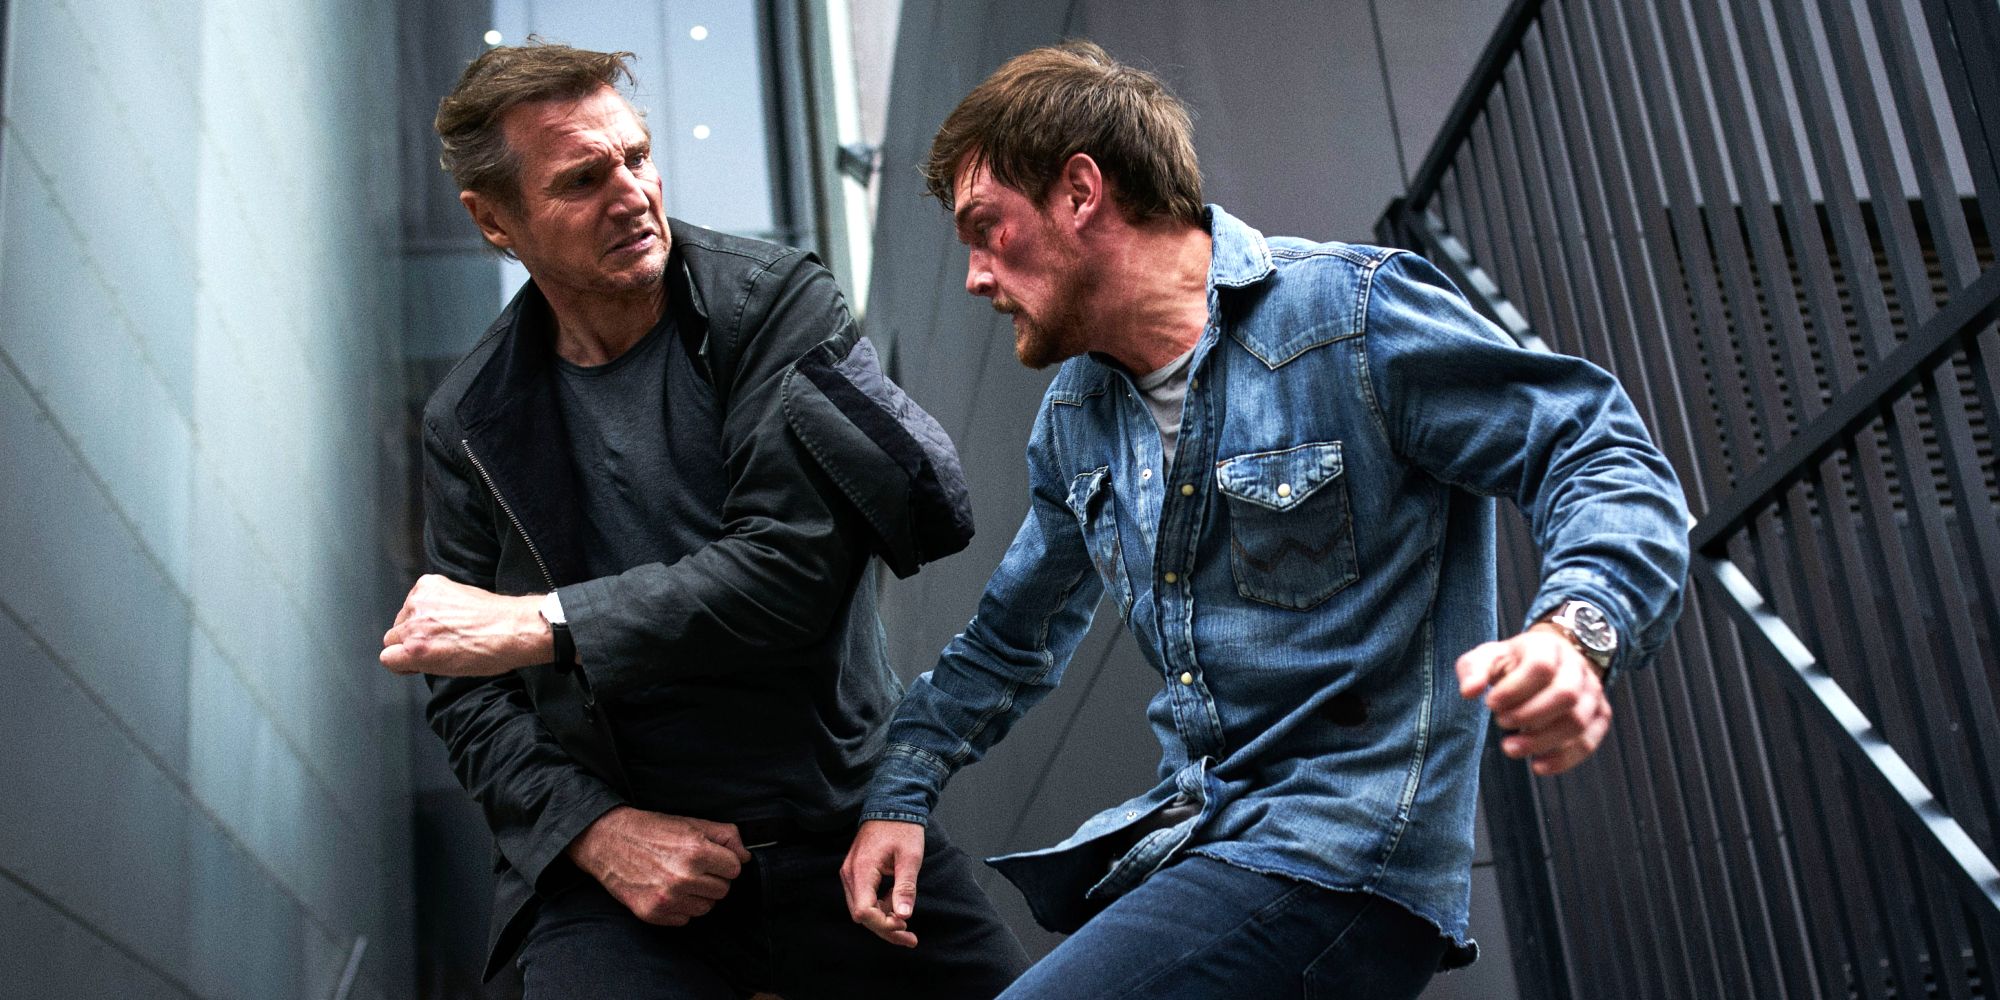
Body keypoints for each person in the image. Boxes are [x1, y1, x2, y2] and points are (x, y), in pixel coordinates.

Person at [840, 40, 1689, 999]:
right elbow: (1005, 645)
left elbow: (1595, 448)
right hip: (1195, 845)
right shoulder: (1076, 423)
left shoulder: (1349, 317)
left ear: (1081, 192)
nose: (975, 278)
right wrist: (898, 793)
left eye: (986, 228)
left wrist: (1576, 633)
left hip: (1344, 859)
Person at [380, 41, 1027, 999]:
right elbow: (471, 699)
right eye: (583, 179)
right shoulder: (469, 421)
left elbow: (787, 574)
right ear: (494, 221)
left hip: (843, 828)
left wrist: (541, 623)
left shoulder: (773, 305)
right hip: (625, 877)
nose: (632, 194)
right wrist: (596, 834)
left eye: (637, 157)